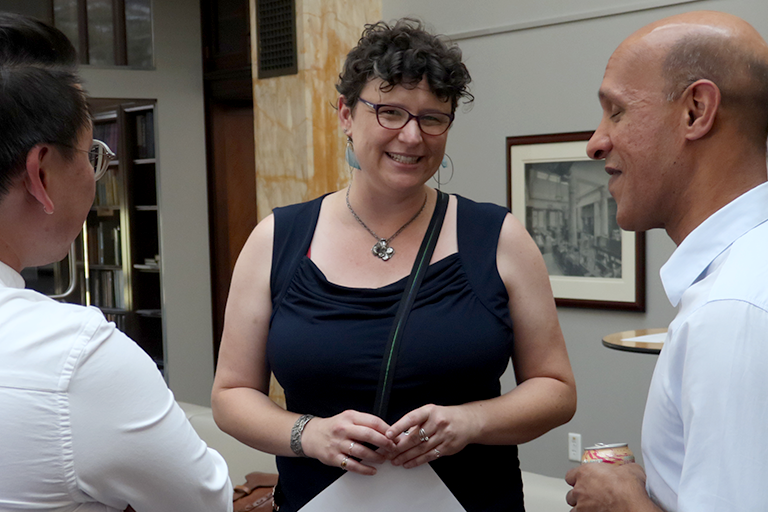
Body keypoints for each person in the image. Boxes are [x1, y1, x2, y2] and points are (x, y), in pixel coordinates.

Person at [212, 18, 576, 512]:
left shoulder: (497, 237)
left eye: (432, 118)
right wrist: (308, 433)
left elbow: (555, 390)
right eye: (390, 112)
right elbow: (231, 395)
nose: (412, 136)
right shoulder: (277, 240)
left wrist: (472, 422)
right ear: (346, 113)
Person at [0, 13, 233, 512]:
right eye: (92, 155)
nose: (96, 176)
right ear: (40, 174)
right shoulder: (79, 357)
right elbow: (204, 501)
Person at [566, 10, 768, 512]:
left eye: (617, 111)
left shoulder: (733, 310)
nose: (595, 142)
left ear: (696, 111)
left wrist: (622, 501)